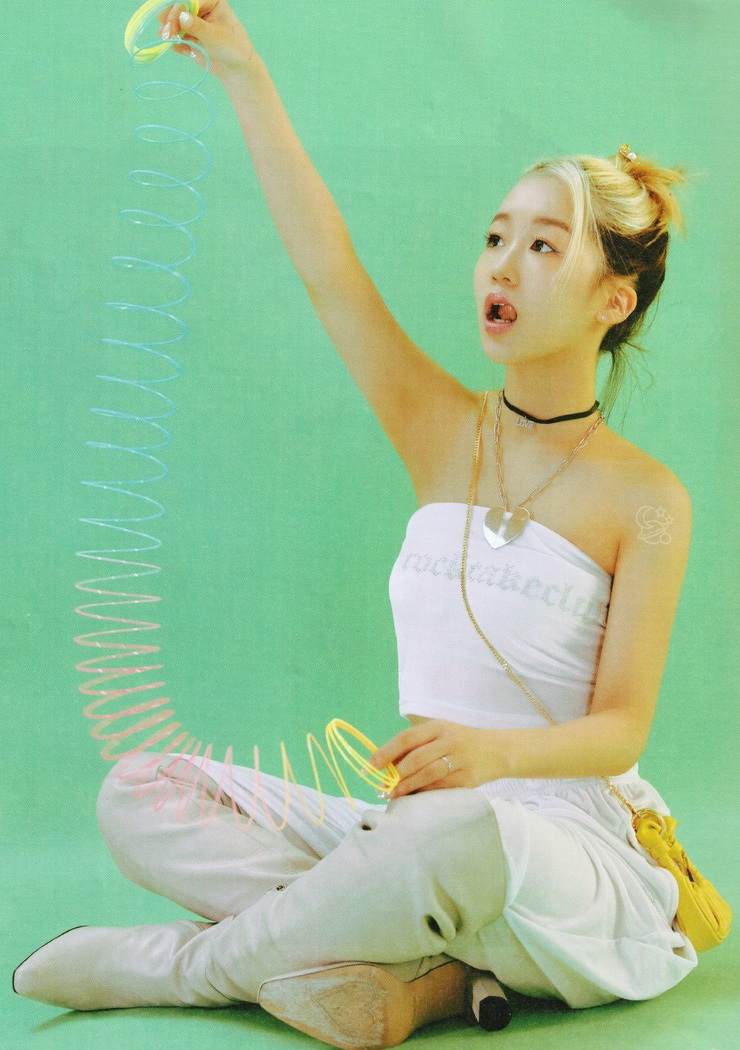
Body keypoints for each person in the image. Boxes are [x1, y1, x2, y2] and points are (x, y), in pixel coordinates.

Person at [13, 3, 699, 1047]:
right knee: (141, 792)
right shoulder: (440, 432)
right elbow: (327, 266)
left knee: (456, 838)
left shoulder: (647, 498)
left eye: (542, 246)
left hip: (555, 847)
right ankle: (423, 971)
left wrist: (491, 757)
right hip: (408, 835)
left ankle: (187, 969)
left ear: (613, 299)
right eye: (495, 237)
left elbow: (622, 729)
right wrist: (243, 74)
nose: (500, 265)